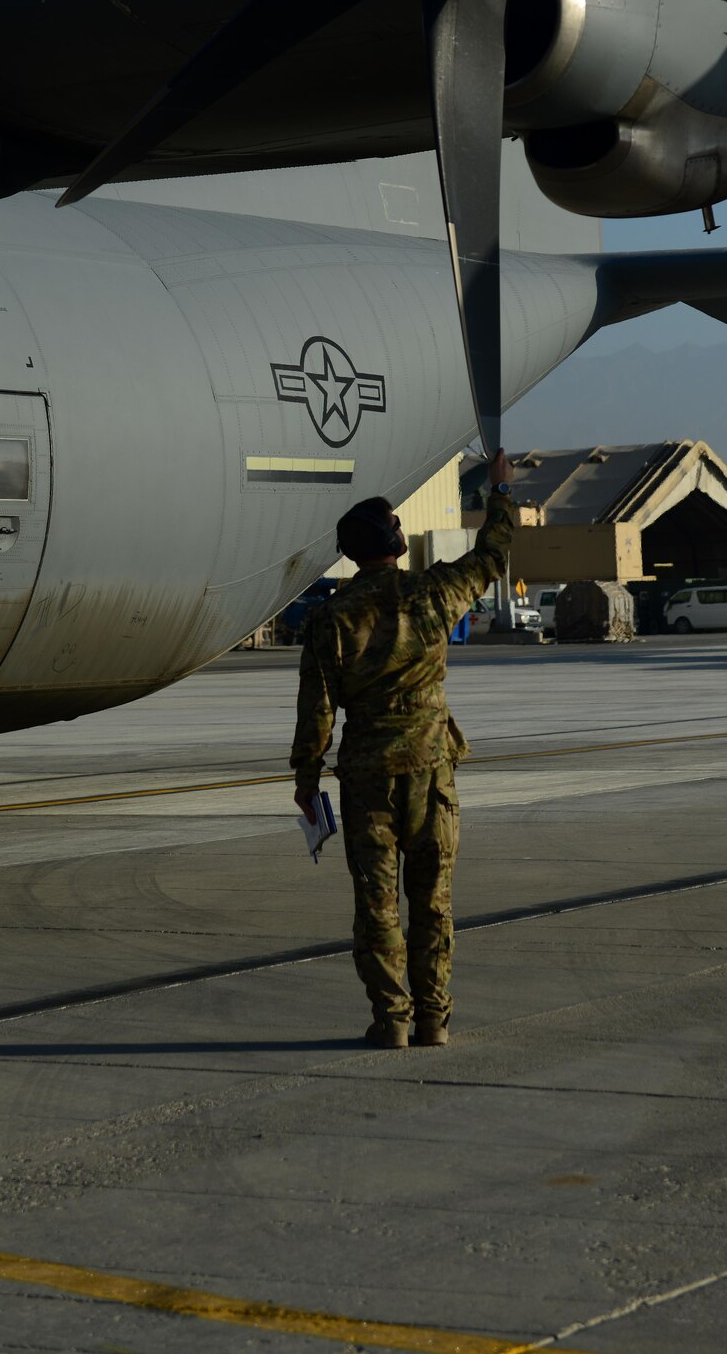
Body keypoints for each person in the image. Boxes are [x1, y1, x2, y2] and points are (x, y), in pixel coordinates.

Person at [290, 449, 515, 1051]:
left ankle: (392, 1020)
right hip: (432, 776)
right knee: (433, 905)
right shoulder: (434, 593)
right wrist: (499, 492)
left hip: (368, 783)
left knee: (378, 908)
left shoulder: (330, 619)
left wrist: (307, 780)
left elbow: (317, 710)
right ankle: (435, 1021)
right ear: (395, 539)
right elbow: (493, 556)